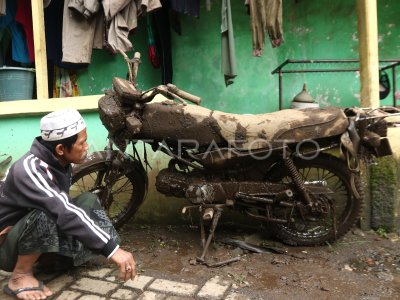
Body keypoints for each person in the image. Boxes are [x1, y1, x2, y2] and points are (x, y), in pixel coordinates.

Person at [0, 108, 136, 300]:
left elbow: (68, 209)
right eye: (82, 143)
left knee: (88, 200)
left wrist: (106, 244)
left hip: (25, 232)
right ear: (61, 149)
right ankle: (20, 276)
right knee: (48, 213)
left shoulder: (59, 162)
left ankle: (54, 260)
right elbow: (63, 211)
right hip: (6, 246)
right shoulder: (29, 170)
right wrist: (112, 250)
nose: (87, 146)